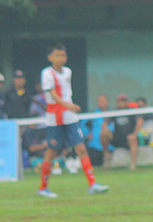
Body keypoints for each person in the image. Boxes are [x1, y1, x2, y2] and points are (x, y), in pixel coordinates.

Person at [36, 43, 109, 197]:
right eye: (57, 55)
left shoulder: (68, 72)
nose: (61, 58)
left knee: (81, 148)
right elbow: (53, 94)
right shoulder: (47, 73)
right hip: (55, 118)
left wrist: (69, 107)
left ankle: (92, 183)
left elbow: (66, 93)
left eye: (63, 55)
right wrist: (68, 105)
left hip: (70, 117)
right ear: (50, 57)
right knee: (52, 151)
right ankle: (43, 187)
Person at [101, 94, 143, 170]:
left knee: (132, 139)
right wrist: (105, 130)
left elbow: (140, 120)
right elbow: (105, 123)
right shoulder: (115, 111)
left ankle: (133, 164)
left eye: (124, 101)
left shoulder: (132, 111)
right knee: (103, 134)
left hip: (129, 137)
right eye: (120, 101)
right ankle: (107, 155)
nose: (122, 103)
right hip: (118, 137)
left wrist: (135, 134)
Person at [83, 94, 110, 165]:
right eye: (100, 101)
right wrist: (87, 134)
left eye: (103, 101)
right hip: (94, 145)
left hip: (110, 145)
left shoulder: (112, 113)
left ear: (107, 102)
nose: (102, 103)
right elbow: (83, 125)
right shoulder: (93, 114)